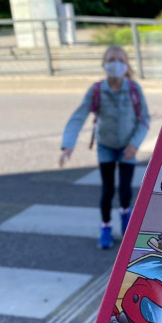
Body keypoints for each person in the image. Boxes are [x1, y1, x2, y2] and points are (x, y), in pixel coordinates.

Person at [59, 46, 150, 250]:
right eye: (111, 60)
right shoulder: (97, 90)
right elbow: (79, 116)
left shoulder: (133, 89)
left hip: (127, 147)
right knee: (107, 191)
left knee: (125, 190)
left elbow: (144, 120)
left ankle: (126, 219)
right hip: (106, 147)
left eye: (120, 60)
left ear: (127, 65)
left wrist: (135, 144)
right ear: (103, 64)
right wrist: (68, 145)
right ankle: (106, 227)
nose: (116, 64)